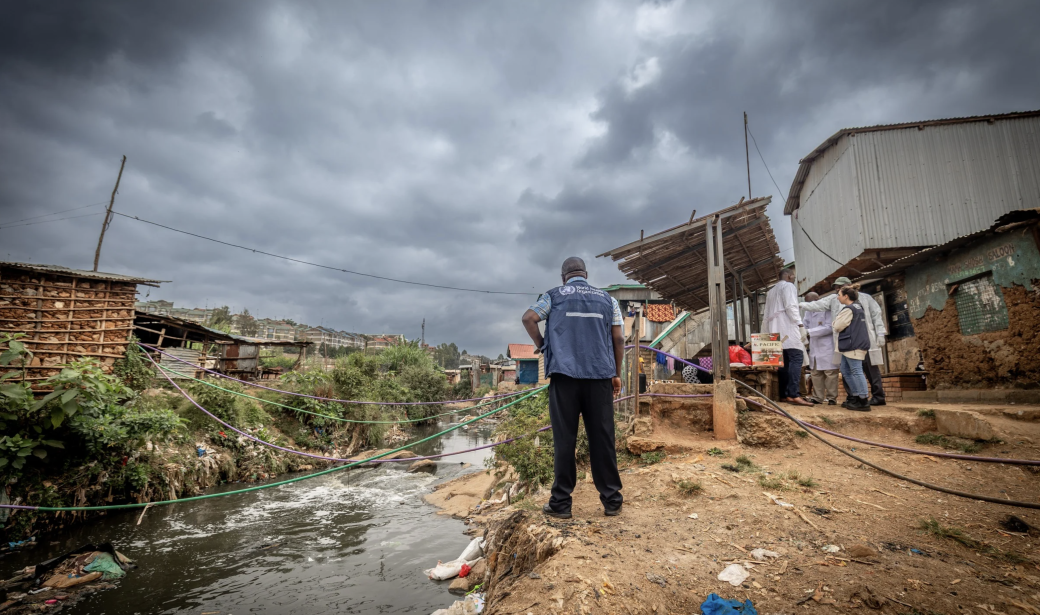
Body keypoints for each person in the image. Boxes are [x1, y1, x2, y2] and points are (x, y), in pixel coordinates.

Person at [522, 257, 625, 519]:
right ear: (586, 275)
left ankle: (561, 504)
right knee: (603, 438)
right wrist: (616, 374)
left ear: (563, 277)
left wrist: (543, 345)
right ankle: (612, 501)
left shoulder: (553, 296)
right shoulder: (608, 300)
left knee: (564, 440)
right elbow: (619, 339)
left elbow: (529, 318)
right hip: (600, 376)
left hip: (564, 377)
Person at [799, 277, 887, 406]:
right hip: (846, 342)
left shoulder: (863, 300)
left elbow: (876, 316)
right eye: (836, 288)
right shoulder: (835, 299)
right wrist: (800, 305)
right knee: (847, 371)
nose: (838, 290)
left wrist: (880, 333)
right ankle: (853, 397)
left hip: (863, 340)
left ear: (849, 287)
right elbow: (817, 305)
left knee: (868, 370)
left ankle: (874, 397)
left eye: (840, 287)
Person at [763, 268, 812, 406]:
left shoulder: (771, 291)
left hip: (775, 329)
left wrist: (766, 333)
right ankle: (793, 394)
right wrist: (800, 324)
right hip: (788, 328)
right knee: (797, 357)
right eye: (794, 276)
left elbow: (766, 315)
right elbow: (791, 307)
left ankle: (784, 395)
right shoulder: (789, 286)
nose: (795, 279)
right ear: (789, 276)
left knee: (783, 362)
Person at [832, 286, 872, 411]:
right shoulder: (858, 307)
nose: (837, 297)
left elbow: (837, 326)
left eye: (839, 295)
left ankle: (863, 400)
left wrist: (834, 322)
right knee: (845, 370)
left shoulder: (849, 309)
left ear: (846, 296)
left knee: (856, 371)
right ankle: (855, 396)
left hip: (852, 345)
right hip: (852, 345)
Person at [802, 292, 839, 405]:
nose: (810, 305)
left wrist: (809, 332)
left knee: (830, 374)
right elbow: (805, 325)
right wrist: (803, 331)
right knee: (816, 374)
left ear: (817, 300)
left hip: (827, 346)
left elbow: (829, 327)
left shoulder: (827, 310)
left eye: (811, 302)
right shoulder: (808, 312)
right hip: (814, 346)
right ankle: (817, 397)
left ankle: (832, 398)